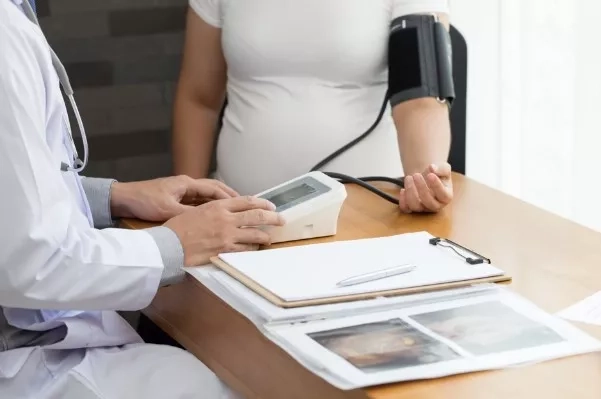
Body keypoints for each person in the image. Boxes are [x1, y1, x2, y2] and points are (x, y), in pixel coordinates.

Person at [0, 1, 284, 397]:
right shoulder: (4, 35)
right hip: (24, 361)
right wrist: (176, 245)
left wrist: (114, 197)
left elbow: (13, 192)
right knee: (230, 383)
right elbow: (34, 261)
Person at [172, 0, 455, 214]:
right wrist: (189, 204)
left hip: (369, 214)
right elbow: (198, 99)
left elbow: (421, 98)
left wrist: (423, 180)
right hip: (238, 213)